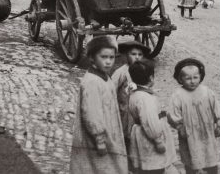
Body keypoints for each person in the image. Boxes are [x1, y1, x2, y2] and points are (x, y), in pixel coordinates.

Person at [70, 36, 128, 174]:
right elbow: (91, 112)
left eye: (111, 57)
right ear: (92, 58)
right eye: (103, 57)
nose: (108, 62)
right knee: (98, 167)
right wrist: (99, 139)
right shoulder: (92, 82)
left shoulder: (105, 77)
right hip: (97, 139)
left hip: (109, 132)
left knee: (108, 166)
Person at [167, 58, 220, 174]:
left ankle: (212, 170)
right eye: (188, 78)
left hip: (207, 132)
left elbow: (216, 107)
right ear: (180, 79)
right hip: (189, 133)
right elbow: (172, 114)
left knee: (209, 155)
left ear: (200, 77)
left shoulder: (207, 92)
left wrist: (219, 121)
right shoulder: (178, 95)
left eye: (195, 77)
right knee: (191, 157)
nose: (192, 81)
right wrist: (180, 126)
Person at [127, 60, 177, 174]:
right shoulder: (145, 99)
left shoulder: (134, 93)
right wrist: (158, 140)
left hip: (140, 132)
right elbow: (150, 121)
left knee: (149, 164)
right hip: (150, 137)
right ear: (151, 78)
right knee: (155, 164)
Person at [111, 41, 151, 149]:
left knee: (137, 136)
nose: (137, 57)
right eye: (133, 54)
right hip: (124, 111)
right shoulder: (121, 72)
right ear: (126, 56)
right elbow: (111, 90)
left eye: (140, 55)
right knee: (124, 136)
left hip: (138, 112)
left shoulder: (144, 71)